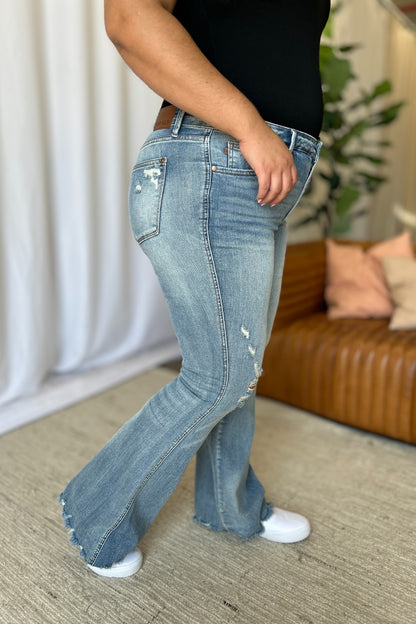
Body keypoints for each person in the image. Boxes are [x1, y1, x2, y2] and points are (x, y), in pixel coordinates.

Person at [59, 0, 330, 578]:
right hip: (212, 161)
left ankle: (231, 509)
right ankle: (95, 513)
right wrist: (249, 125)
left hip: (256, 176)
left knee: (240, 367)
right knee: (220, 374)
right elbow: (128, 17)